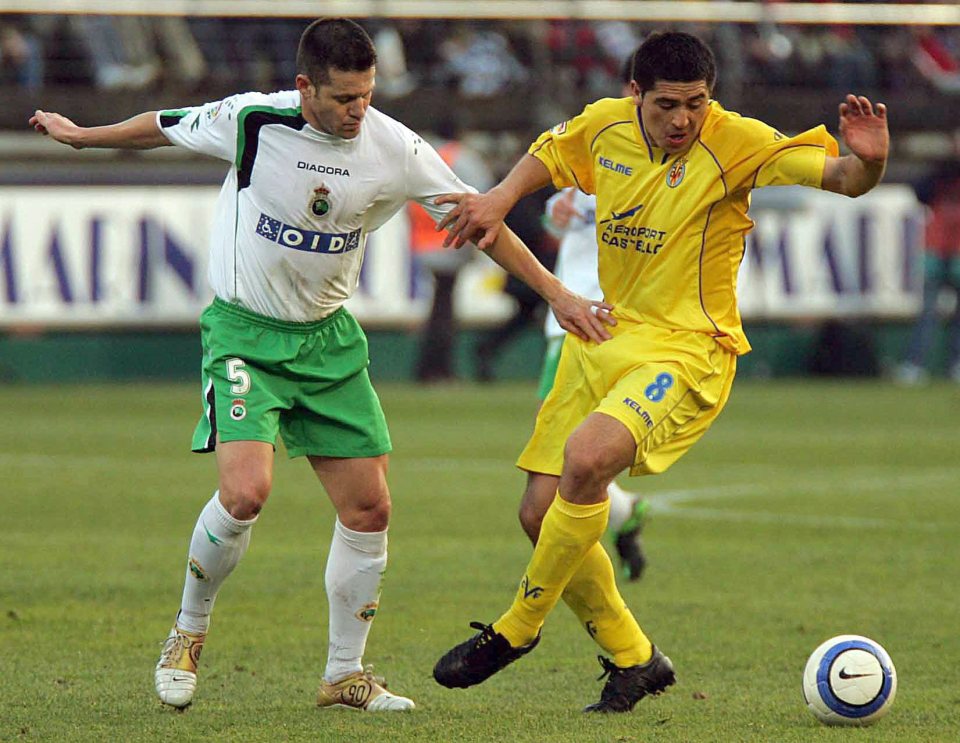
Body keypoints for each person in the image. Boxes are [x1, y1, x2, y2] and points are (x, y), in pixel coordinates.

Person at [30, 18, 610, 712]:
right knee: (246, 491)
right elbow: (163, 120)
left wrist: (557, 292)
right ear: (304, 87)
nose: (356, 110)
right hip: (245, 334)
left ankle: (344, 674)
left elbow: (479, 219)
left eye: (365, 95)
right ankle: (187, 630)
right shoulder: (253, 120)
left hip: (328, 342)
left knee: (369, 507)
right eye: (341, 98)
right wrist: (84, 137)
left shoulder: (394, 146)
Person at [432, 30, 889, 713]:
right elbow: (550, 153)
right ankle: (635, 657)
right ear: (636, 95)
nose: (683, 120)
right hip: (603, 331)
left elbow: (845, 179)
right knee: (538, 512)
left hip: (687, 346)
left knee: (587, 462)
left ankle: (516, 628)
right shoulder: (604, 124)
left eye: (696, 104)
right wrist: (498, 196)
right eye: (667, 105)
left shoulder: (736, 141)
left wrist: (871, 163)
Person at [538, 55, 649, 581]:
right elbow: (560, 212)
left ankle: (581, 552)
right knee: (562, 451)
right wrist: (554, 214)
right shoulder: (595, 150)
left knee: (566, 456)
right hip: (566, 314)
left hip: (607, 322)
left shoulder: (664, 167)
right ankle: (623, 512)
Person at [410, 118, 494, 383]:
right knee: (443, 311)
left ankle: (429, 367)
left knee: (437, 307)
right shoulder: (462, 158)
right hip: (452, 243)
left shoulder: (421, 154)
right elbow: (484, 195)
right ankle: (437, 369)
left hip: (422, 242)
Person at [896, 155, 960, 384]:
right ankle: (915, 364)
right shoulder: (941, 177)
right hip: (937, 249)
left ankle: (953, 364)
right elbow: (920, 191)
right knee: (928, 315)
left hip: (955, 251)